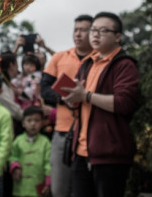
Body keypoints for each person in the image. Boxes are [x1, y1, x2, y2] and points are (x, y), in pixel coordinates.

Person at [62, 12, 139, 197]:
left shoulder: (124, 65)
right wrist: (74, 99)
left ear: (117, 37)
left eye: (103, 31)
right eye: (93, 30)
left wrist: (86, 95)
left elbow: (124, 103)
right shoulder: (87, 63)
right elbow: (82, 103)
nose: (95, 35)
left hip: (109, 155)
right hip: (80, 152)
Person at [40, 14, 93, 197]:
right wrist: (65, 98)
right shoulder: (59, 57)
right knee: (59, 189)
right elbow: (44, 89)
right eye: (76, 30)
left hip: (90, 132)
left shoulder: (99, 59)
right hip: (62, 131)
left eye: (83, 30)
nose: (78, 34)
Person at [9, 106, 51, 196]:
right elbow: (12, 156)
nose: (33, 124)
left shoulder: (45, 142)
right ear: (23, 123)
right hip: (21, 187)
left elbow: (48, 163)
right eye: (29, 121)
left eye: (37, 120)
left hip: (38, 185)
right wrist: (15, 167)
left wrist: (48, 181)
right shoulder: (18, 141)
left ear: (42, 123)